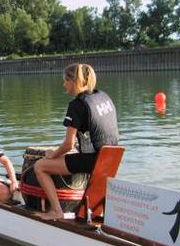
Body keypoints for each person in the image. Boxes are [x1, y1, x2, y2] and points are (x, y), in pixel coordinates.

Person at [34, 63, 119, 220]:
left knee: (40, 166)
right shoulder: (103, 96)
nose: (63, 84)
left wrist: (53, 154)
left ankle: (56, 211)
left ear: (73, 81)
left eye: (65, 80)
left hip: (92, 160)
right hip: (112, 158)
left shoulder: (77, 105)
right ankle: (97, 214)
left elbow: (68, 145)